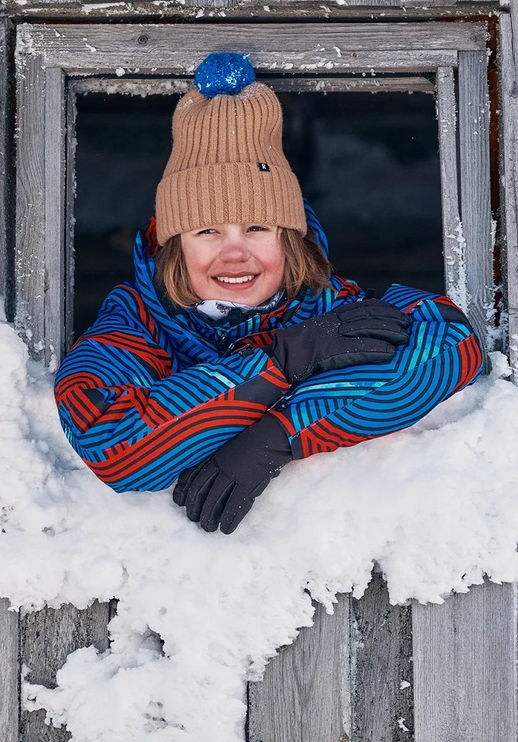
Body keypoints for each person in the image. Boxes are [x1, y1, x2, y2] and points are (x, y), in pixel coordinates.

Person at [55, 52, 484, 534]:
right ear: (174, 246)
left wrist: (276, 435)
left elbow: (449, 346)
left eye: (257, 227)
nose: (234, 254)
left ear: (290, 238)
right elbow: (113, 444)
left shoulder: (331, 310)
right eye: (207, 231)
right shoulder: (138, 325)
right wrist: (279, 363)